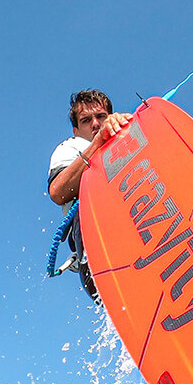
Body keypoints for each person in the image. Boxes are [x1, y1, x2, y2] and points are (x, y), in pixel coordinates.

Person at [48, 89, 132, 300]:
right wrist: (98, 143)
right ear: (76, 130)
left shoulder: (129, 136)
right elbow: (58, 192)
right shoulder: (70, 148)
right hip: (95, 249)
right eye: (86, 120)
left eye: (101, 117)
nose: (95, 123)